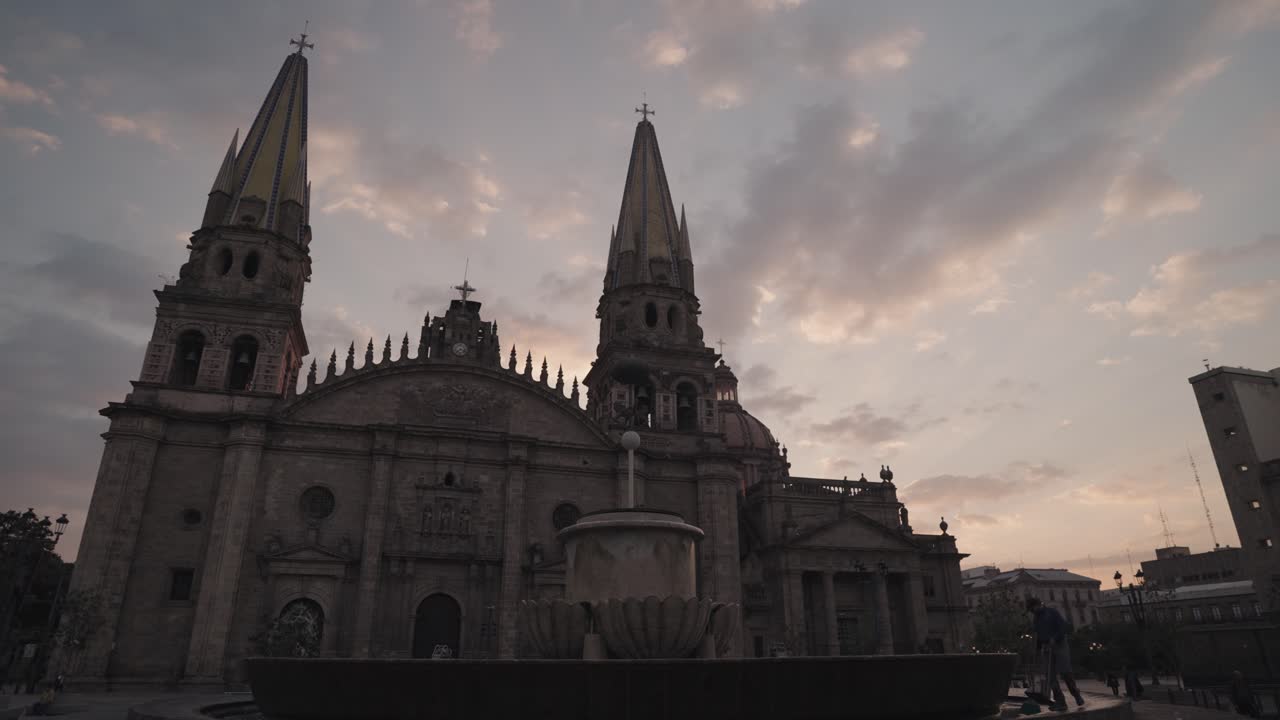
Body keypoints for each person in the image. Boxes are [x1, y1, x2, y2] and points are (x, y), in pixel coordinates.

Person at [1026, 596, 1084, 711]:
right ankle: (1060, 702)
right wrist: (1037, 650)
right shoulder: (1036, 618)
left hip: (1060, 644)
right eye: (1031, 610)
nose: (1032, 611)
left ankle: (1076, 694)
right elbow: (1038, 634)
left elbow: (1063, 627)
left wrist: (1055, 638)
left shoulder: (1052, 612)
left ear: (1038, 605)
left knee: (1065, 671)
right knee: (1050, 675)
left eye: (1032, 608)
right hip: (1047, 646)